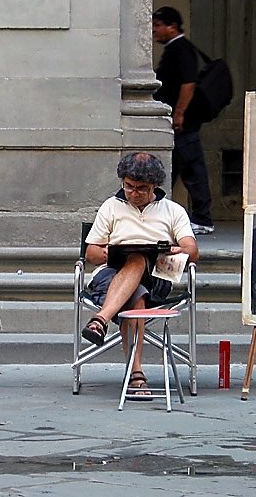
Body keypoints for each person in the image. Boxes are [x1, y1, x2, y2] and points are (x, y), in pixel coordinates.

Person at [82, 152, 199, 396]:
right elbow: (90, 253)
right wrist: (112, 253)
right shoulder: (111, 206)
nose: (133, 193)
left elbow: (192, 251)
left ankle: (100, 320)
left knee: (139, 260)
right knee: (137, 287)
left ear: (155, 186)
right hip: (112, 275)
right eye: (128, 187)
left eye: (141, 188)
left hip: (157, 277)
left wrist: (174, 249)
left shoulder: (173, 210)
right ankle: (136, 373)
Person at [152, 6, 215, 235]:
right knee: (175, 168)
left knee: (193, 169)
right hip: (177, 121)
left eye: (158, 25)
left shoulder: (181, 49)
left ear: (172, 26)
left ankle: (202, 219)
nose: (154, 30)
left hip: (182, 122)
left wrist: (179, 113)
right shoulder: (175, 49)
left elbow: (188, 84)